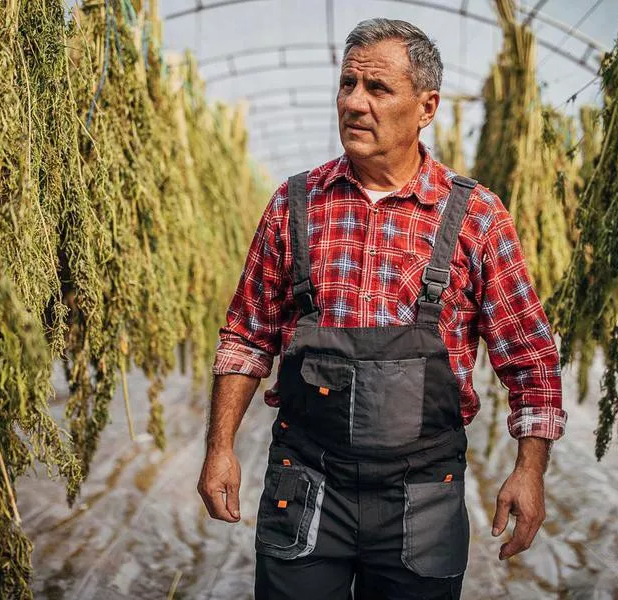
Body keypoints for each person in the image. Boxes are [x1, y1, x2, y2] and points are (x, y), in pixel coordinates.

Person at [197, 17, 567, 600]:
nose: (354, 103)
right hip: (307, 480)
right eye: (347, 85)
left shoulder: (475, 215)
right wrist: (219, 449)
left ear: (427, 107)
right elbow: (247, 336)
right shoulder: (295, 204)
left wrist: (530, 470)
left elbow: (529, 356)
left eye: (377, 89)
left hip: (422, 491)